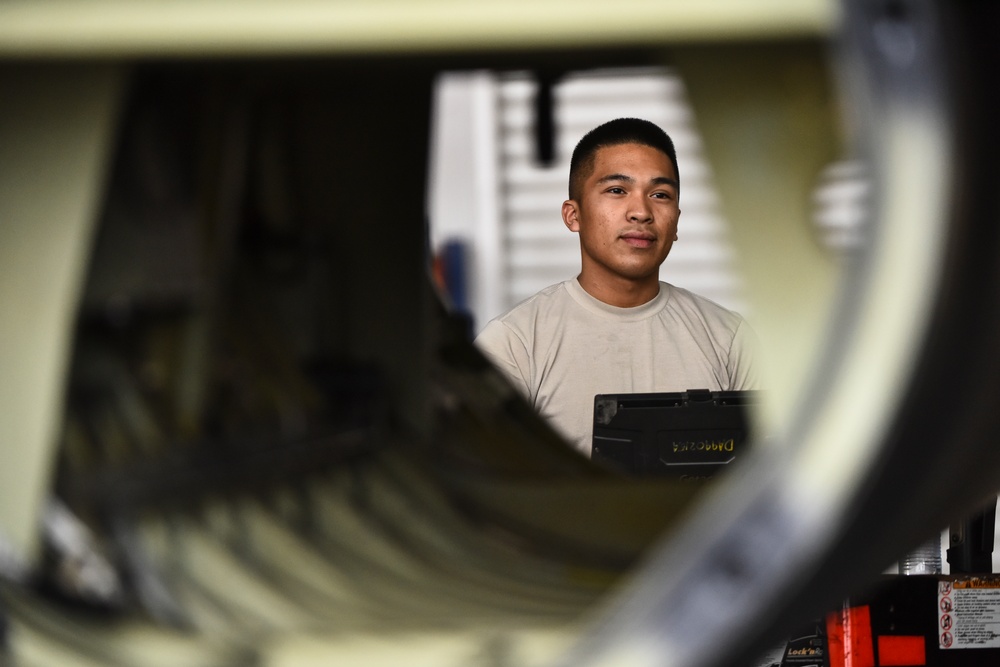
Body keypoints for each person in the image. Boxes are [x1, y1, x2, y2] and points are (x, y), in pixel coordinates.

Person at [475, 117, 760, 456]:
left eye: (659, 194)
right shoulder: (514, 344)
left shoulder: (728, 339)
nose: (641, 212)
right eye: (616, 190)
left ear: (677, 222)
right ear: (573, 215)